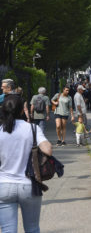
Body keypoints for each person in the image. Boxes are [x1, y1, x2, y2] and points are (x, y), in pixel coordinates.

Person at [0, 94, 52, 232]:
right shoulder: (32, 129)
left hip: (3, 185)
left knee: (7, 230)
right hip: (29, 185)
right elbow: (48, 150)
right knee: (32, 228)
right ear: (22, 111)